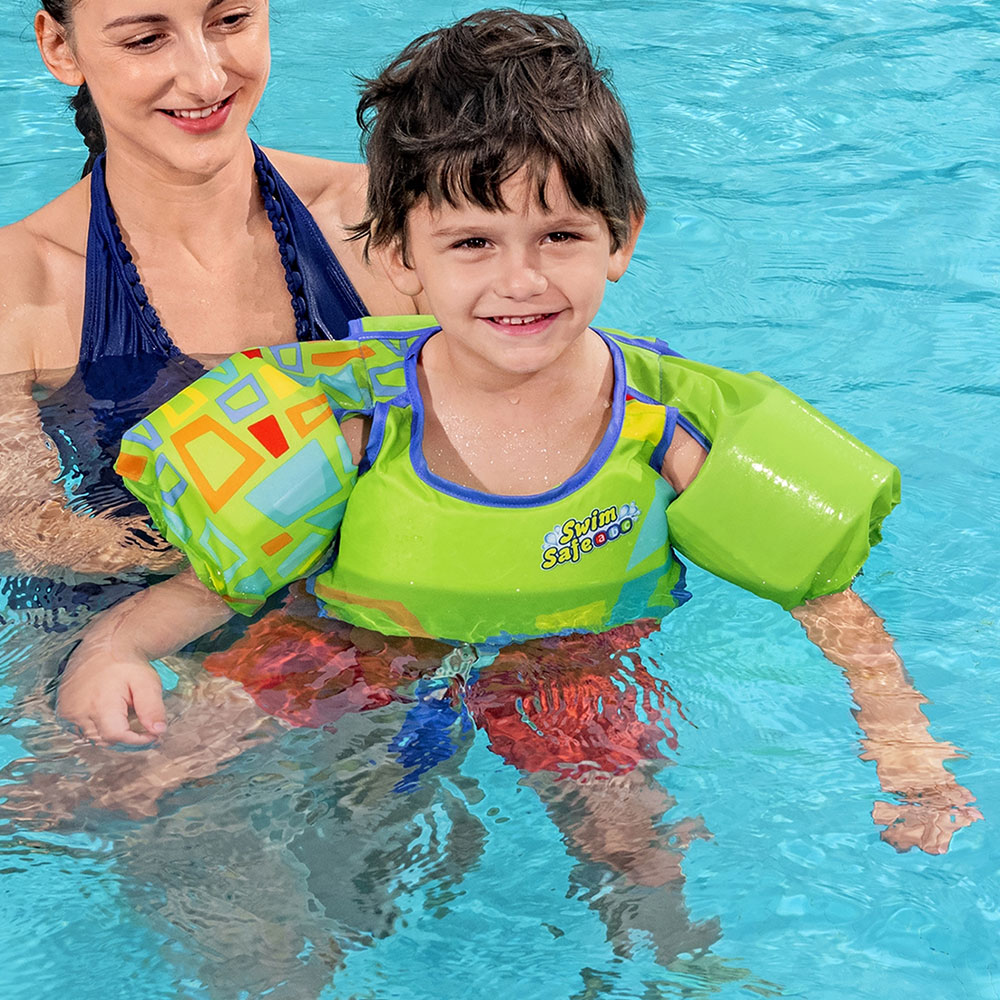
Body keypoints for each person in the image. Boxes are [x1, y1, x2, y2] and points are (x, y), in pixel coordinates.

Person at [58, 8, 979, 860]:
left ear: (622, 237)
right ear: (398, 258)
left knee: (637, 853)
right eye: (472, 244)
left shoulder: (665, 437)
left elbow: (822, 598)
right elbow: (221, 578)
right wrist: (114, 651)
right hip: (356, 646)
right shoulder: (356, 427)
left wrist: (906, 748)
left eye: (561, 237)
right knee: (131, 780)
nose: (521, 281)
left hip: (574, 659)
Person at [0, 0, 419, 620]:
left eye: (230, 21)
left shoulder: (389, 220)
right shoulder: (20, 285)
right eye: (146, 39)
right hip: (129, 646)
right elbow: (26, 530)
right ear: (61, 48)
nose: (206, 79)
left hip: (391, 633)